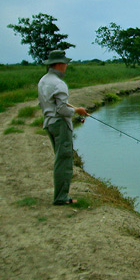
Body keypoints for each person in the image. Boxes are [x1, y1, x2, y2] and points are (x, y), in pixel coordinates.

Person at [38, 50, 88, 205]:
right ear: (59, 64)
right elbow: (62, 110)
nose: (66, 65)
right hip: (60, 125)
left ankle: (60, 195)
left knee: (60, 158)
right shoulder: (59, 84)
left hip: (49, 123)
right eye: (65, 63)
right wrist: (77, 111)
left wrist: (73, 112)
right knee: (64, 160)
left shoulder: (43, 81)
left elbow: (50, 104)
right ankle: (61, 198)